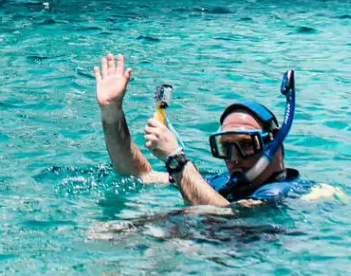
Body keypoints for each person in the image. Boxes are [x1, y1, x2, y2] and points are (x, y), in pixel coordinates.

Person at [92, 53, 314, 207]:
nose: (233, 159)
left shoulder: (285, 194)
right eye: (224, 148)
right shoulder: (221, 183)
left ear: (273, 145)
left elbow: (227, 217)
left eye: (245, 145)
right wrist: (112, 113)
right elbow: (141, 175)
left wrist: (175, 159)